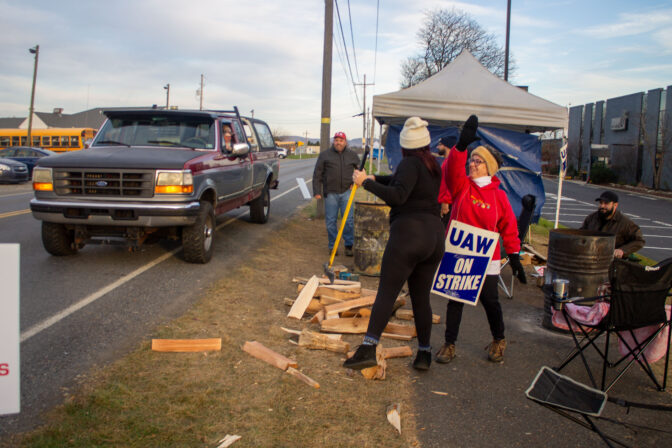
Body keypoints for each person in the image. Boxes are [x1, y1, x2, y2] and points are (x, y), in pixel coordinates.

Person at [343, 117, 445, 371]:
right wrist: (378, 177)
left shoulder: (409, 163)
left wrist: (366, 182)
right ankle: (424, 353)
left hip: (409, 235)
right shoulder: (432, 165)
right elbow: (402, 182)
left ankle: (368, 348)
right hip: (434, 237)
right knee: (421, 298)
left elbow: (399, 196)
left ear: (405, 145)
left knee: (387, 293)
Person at [436, 115, 526, 365]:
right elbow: (452, 170)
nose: (472, 164)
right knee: (456, 299)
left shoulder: (499, 196)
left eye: (478, 161)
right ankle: (449, 343)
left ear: (489, 167)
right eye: (472, 160)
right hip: (460, 252)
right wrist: (461, 148)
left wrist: (515, 255)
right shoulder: (462, 186)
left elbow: (509, 227)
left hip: (487, 257)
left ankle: (499, 339)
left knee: (490, 300)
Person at [313, 131, 360, 256]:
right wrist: (317, 191)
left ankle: (349, 245)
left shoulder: (352, 155)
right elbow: (317, 174)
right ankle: (333, 246)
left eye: (341, 140)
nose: (338, 142)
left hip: (347, 192)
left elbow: (360, 169)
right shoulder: (325, 155)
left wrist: (356, 182)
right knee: (330, 221)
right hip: (331, 194)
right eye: (336, 140)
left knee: (348, 221)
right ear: (333, 141)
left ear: (345, 142)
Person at [580, 191, 645, 259]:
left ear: (615, 205)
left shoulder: (625, 223)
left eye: (606, 203)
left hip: (612, 262)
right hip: (590, 259)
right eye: (601, 203)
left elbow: (639, 241)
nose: (602, 206)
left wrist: (623, 250)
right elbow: (581, 234)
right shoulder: (591, 218)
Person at [436, 136, 455, 228]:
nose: (437, 147)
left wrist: (446, 202)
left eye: (440, 145)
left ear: (447, 146)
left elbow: (452, 182)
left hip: (447, 204)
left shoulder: (452, 162)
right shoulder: (446, 161)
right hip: (442, 201)